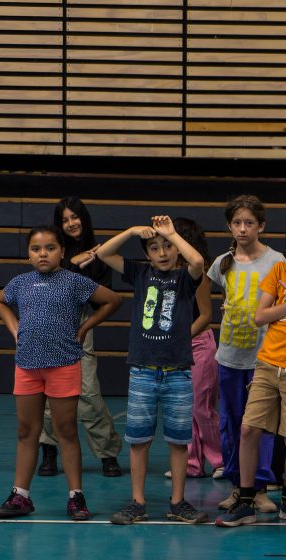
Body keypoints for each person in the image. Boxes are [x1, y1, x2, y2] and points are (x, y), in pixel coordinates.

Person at [0, 226, 120, 519]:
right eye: (36, 249)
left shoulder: (74, 282)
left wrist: (85, 327)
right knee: (27, 432)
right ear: (28, 254)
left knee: (66, 432)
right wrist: (15, 330)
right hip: (27, 366)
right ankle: (21, 496)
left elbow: (113, 300)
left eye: (50, 248)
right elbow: (0, 302)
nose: (43, 254)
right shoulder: (20, 283)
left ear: (62, 252)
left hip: (63, 365)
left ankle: (76, 497)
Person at [214, 213, 286, 527]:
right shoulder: (282, 269)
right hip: (267, 364)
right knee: (249, 428)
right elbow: (260, 316)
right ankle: (247, 498)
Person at [95, 216, 209, 524]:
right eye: (155, 247)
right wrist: (132, 230)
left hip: (178, 372)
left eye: (168, 246)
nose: (162, 253)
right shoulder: (140, 273)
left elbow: (197, 260)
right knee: (139, 439)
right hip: (143, 371)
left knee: (178, 440)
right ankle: (137, 501)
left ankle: (178, 502)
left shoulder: (186, 277)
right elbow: (104, 253)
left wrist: (172, 233)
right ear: (147, 254)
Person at [208, 196, 285, 514]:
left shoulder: (276, 261)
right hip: (228, 355)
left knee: (260, 425)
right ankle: (238, 486)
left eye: (249, 223)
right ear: (229, 226)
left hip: (263, 357)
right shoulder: (222, 263)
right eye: (237, 223)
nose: (242, 228)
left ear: (261, 226)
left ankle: (261, 488)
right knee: (231, 422)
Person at [38, 197, 124, 478]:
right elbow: (45, 285)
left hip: (79, 324)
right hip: (50, 326)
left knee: (87, 392)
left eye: (75, 217)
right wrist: (72, 264)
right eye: (64, 219)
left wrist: (80, 269)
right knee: (50, 396)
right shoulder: (53, 251)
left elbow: (105, 301)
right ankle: (48, 450)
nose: (71, 223)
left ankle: (107, 453)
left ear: (84, 219)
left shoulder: (100, 254)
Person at [168, 218, 223, 479]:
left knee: (202, 408)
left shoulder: (198, 274)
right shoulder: (169, 273)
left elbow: (205, 316)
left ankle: (219, 460)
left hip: (198, 343)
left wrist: (180, 337)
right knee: (184, 408)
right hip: (178, 346)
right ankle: (192, 462)